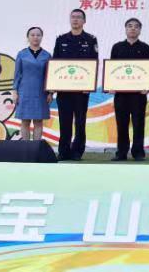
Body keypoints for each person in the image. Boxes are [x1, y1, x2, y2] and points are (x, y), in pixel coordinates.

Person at [53, 9, 98, 161]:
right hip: (63, 89)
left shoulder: (90, 40)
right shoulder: (61, 39)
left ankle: (77, 151)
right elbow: (55, 63)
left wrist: (89, 85)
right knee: (64, 121)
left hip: (82, 90)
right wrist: (54, 84)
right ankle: (63, 151)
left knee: (80, 121)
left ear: (84, 21)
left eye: (79, 17)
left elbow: (94, 63)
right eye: (73, 17)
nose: (75, 20)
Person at [110, 18, 149, 161]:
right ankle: (121, 153)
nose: (133, 28)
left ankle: (138, 152)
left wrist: (148, 87)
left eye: (136, 26)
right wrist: (110, 85)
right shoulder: (117, 47)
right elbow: (112, 70)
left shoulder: (145, 48)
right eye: (130, 26)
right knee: (121, 124)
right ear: (125, 29)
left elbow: (148, 70)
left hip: (139, 95)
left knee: (138, 123)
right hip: (121, 94)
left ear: (140, 30)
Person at [13, 27, 52, 141]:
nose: (35, 37)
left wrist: (50, 93)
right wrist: (15, 91)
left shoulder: (47, 55)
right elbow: (17, 74)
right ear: (28, 37)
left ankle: (36, 147)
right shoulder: (21, 54)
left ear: (42, 37)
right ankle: (26, 147)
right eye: (33, 35)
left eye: (38, 35)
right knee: (25, 121)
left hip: (41, 92)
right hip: (24, 92)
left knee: (38, 121)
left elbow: (49, 76)